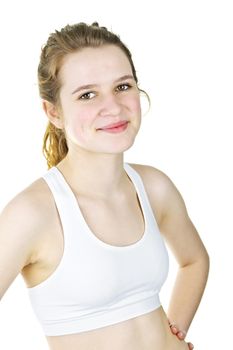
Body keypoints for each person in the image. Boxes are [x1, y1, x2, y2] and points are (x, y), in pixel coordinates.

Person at [0, 22, 209, 350]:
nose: (112, 106)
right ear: (53, 112)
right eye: (87, 94)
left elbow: (195, 260)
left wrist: (175, 335)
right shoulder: (33, 213)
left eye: (123, 87)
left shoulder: (154, 187)